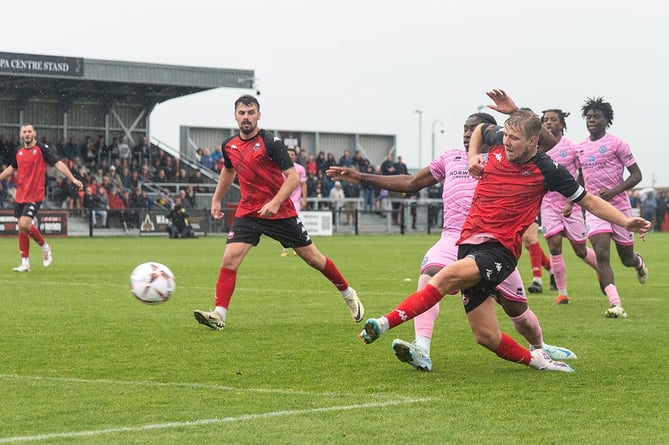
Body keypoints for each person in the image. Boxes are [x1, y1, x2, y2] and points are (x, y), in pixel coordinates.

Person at [352, 90, 651, 373]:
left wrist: (625, 222)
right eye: (505, 135)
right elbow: (482, 130)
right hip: (467, 244)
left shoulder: (548, 170)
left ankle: (383, 323)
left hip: (499, 250)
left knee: (443, 277)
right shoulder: (495, 143)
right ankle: (538, 360)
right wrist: (472, 156)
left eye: (514, 139)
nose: (506, 143)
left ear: (534, 142)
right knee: (486, 336)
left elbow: (588, 200)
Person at [327, 108, 576, 372]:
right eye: (465, 130)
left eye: (474, 129)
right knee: (431, 277)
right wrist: (362, 177)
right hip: (453, 239)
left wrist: (516, 113)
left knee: (517, 310)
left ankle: (539, 348)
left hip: (495, 244)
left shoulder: (507, 157)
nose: (468, 134)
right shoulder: (452, 158)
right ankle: (421, 348)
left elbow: (545, 141)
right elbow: (411, 182)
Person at [193, 95, 364, 331]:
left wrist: (275, 202)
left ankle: (348, 293)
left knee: (313, 258)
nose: (246, 117)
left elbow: (293, 178)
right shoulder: (229, 145)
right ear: (235, 115)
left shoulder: (271, 141)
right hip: (249, 211)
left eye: (251, 112)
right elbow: (228, 172)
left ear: (259, 115)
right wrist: (216, 199)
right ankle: (219, 315)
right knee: (229, 259)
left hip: (280, 212)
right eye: (242, 113)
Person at [576, 97, 648, 318]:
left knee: (626, 260)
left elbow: (637, 175)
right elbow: (580, 179)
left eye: (596, 116)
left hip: (619, 208)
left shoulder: (618, 143)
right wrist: (576, 203)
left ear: (606, 119)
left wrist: (615, 191)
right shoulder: (580, 148)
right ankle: (616, 304)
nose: (592, 120)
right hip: (595, 210)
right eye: (589, 117)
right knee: (601, 253)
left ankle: (638, 262)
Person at [0, 122, 83, 271]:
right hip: (20, 194)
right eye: (24, 132)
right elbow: (12, 168)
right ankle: (25, 263)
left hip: (35, 194)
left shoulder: (41, 149)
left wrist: (73, 178)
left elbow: (58, 164)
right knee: (22, 228)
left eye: (29, 131)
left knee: (24, 224)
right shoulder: (19, 151)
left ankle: (45, 247)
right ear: (21, 135)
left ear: (34, 133)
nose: (27, 134)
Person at [540, 109, 600, 305]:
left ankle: (601, 269)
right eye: (546, 120)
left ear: (562, 124)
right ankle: (562, 293)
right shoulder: (539, 148)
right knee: (554, 246)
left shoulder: (572, 148)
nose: (549, 123)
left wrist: (572, 202)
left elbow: (581, 176)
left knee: (580, 251)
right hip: (548, 204)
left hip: (570, 205)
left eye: (553, 120)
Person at [280, 147, 307, 257]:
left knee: (294, 222)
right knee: (282, 224)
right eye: (289, 154)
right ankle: (285, 249)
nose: (290, 156)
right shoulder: (280, 166)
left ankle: (297, 247)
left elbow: (303, 184)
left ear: (295, 156)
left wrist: (304, 198)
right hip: (283, 199)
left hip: (295, 200)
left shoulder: (300, 168)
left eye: (292, 154)